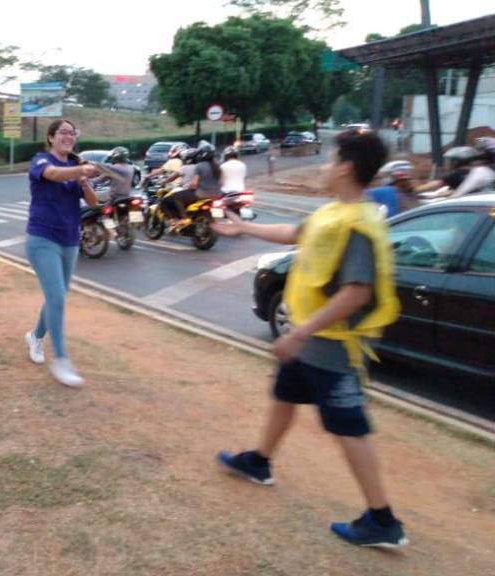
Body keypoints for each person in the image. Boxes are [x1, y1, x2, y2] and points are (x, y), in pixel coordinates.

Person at [211, 129, 407, 548]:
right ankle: (260, 461)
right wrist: (243, 229)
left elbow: (357, 293)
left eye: (331, 159)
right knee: (284, 396)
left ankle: (382, 520)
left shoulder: (356, 226)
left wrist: (298, 334)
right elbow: (295, 233)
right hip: (310, 344)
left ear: (346, 168)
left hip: (332, 348)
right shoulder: (335, 213)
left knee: (349, 429)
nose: (325, 166)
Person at [23, 119, 99, 387]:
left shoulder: (74, 168)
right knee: (57, 297)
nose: (68, 137)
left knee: (57, 296)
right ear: (51, 137)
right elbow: (53, 174)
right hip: (42, 238)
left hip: (70, 240)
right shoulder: (41, 161)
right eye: (63, 132)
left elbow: (93, 202)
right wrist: (81, 169)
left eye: (72, 133)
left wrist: (85, 182)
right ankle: (61, 360)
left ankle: (35, 336)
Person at [163, 141, 222, 226]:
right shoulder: (217, 167)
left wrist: (188, 189)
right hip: (216, 195)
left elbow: (194, 184)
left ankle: (185, 218)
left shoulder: (200, 166)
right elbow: (221, 183)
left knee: (176, 197)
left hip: (201, 194)